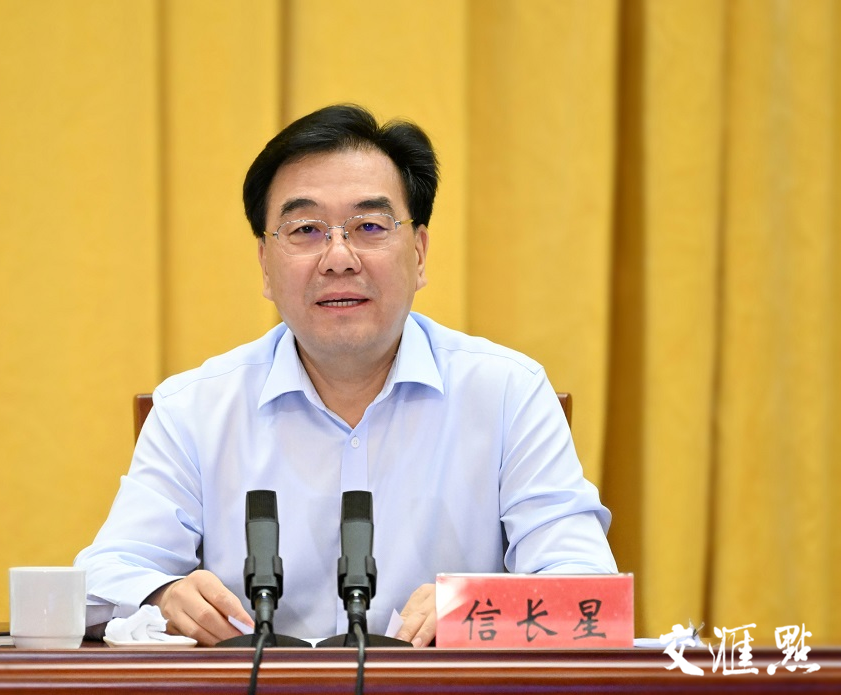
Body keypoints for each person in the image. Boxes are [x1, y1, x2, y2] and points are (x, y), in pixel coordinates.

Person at [75, 104, 617, 647]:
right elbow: (98, 582)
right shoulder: (195, 409)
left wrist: (475, 606)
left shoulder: (506, 394)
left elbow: (590, 594)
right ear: (265, 265)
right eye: (306, 229)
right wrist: (163, 596)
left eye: (370, 227)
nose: (339, 258)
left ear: (419, 253)